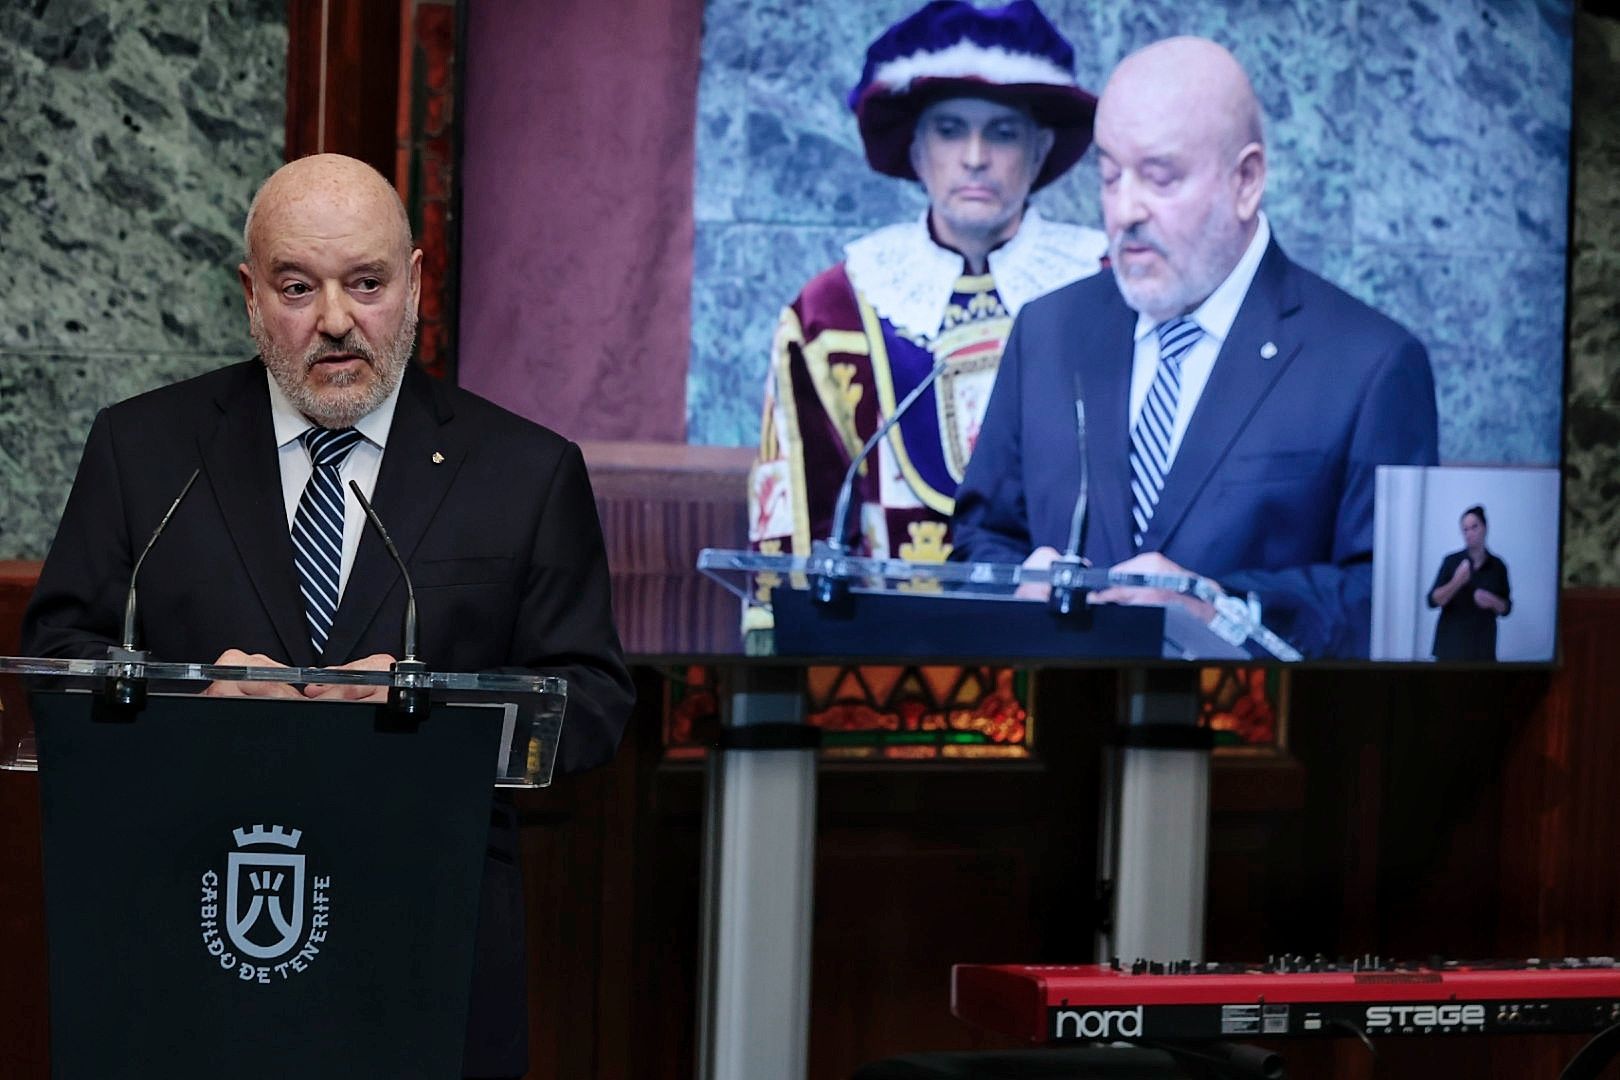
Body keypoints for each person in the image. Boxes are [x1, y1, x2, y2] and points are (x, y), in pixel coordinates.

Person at [21, 153, 635, 1078]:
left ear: (416, 282)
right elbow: (59, 662)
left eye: (368, 283)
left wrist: (430, 706)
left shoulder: (525, 472)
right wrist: (189, 698)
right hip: (187, 941)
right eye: (299, 287)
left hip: (426, 947)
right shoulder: (145, 451)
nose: (337, 321)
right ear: (250, 294)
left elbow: (590, 700)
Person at [952, 36, 1439, 659]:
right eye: (1108, 175)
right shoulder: (1050, 332)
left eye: (1160, 178)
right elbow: (982, 536)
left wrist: (1219, 610)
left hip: (1260, 739)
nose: (1125, 209)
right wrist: (1019, 589)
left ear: (1246, 181)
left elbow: (1393, 599)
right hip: (1060, 730)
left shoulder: (1369, 365)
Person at [747, 0, 1107, 621]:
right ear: (915, 150)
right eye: (949, 130)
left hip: (1080, 639)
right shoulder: (832, 313)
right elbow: (798, 529)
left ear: (1041, 147)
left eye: (1002, 131)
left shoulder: (1108, 292)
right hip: (885, 655)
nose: (974, 157)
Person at [1428, 505, 1511, 661]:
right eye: (1465, 529)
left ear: (1485, 528)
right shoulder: (1451, 562)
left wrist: (1492, 601)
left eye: (1474, 527)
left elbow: (1507, 608)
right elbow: (1432, 601)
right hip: (1450, 649)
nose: (1469, 533)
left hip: (1483, 650)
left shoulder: (1498, 566)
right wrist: (1456, 582)